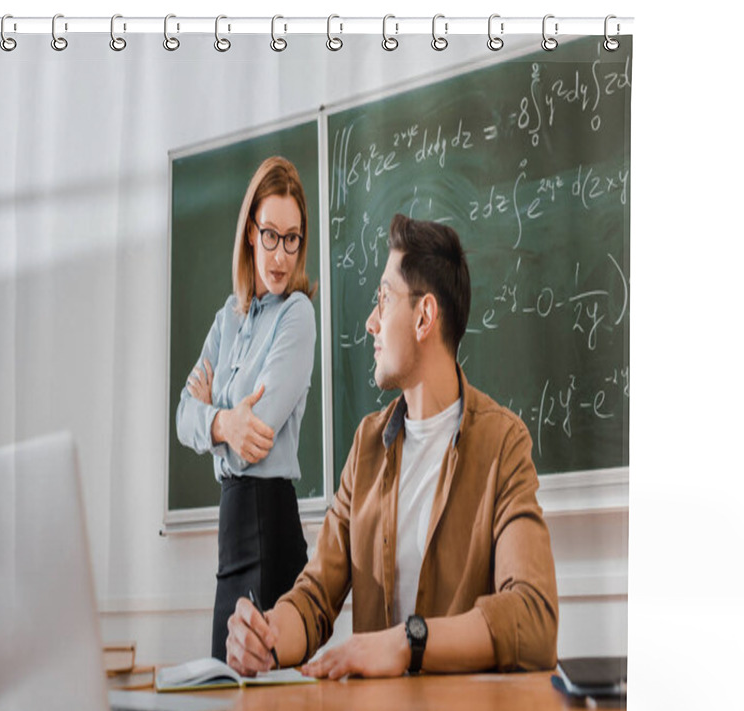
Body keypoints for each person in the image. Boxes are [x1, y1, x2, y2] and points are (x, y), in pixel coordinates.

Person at [226, 214, 558, 679]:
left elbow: (534, 619)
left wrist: (408, 642)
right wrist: (266, 636)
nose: (370, 322)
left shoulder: (503, 445)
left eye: (383, 298)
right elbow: (315, 597)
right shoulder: (366, 446)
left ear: (424, 317)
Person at [176, 156, 316, 661]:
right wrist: (221, 422)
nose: (281, 254)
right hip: (231, 531)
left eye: (293, 238)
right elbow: (181, 417)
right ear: (251, 235)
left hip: (269, 523)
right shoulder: (226, 320)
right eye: (271, 235)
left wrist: (215, 424)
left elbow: (252, 445)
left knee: (257, 709)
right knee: (221, 692)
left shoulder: (298, 315)